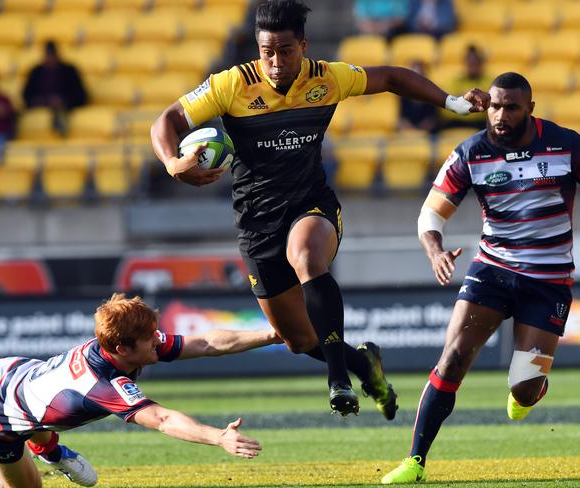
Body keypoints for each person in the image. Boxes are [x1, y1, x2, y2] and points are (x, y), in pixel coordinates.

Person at [151, 0, 488, 418]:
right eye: (266, 52)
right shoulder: (231, 85)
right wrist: (172, 163)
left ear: (304, 45)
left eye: (286, 51)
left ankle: (339, 381)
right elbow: (165, 121)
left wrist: (452, 103)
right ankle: (364, 365)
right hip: (257, 222)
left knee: (306, 257)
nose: (275, 63)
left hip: (312, 204)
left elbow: (393, 76)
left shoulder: (327, 78)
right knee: (297, 338)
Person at [381, 72, 580, 484]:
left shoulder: (566, 144)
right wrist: (435, 250)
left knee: (524, 389)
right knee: (453, 357)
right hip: (493, 270)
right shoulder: (471, 152)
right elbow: (431, 214)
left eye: (511, 107)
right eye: (494, 105)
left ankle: (531, 389)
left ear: (530, 109)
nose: (500, 115)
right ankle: (414, 461)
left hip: (549, 281)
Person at [0, 293, 280, 488]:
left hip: (14, 376)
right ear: (123, 350)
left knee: (41, 415)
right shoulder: (103, 384)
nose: (159, 342)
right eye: (150, 340)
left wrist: (271, 335)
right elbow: (161, 418)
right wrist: (218, 437)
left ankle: (50, 450)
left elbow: (204, 343)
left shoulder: (123, 345)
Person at [22, 40, 88, 134]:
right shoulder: (36, 72)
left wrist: (63, 101)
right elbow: (26, 95)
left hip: (65, 108)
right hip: (39, 107)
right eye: (48, 55)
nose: (50, 59)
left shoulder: (70, 71)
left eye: (52, 55)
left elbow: (81, 95)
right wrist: (42, 101)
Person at [440, 45, 492, 130]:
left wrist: (461, 97)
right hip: (456, 122)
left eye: (475, 62)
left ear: (480, 63)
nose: (472, 66)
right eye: (470, 63)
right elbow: (445, 106)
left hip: (480, 123)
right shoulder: (455, 81)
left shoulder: (489, 81)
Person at [397, 60, 438, 133]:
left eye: (420, 76)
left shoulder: (433, 94)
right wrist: (411, 131)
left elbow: (432, 121)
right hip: (408, 135)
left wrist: (417, 131)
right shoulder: (403, 95)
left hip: (428, 136)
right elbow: (401, 120)